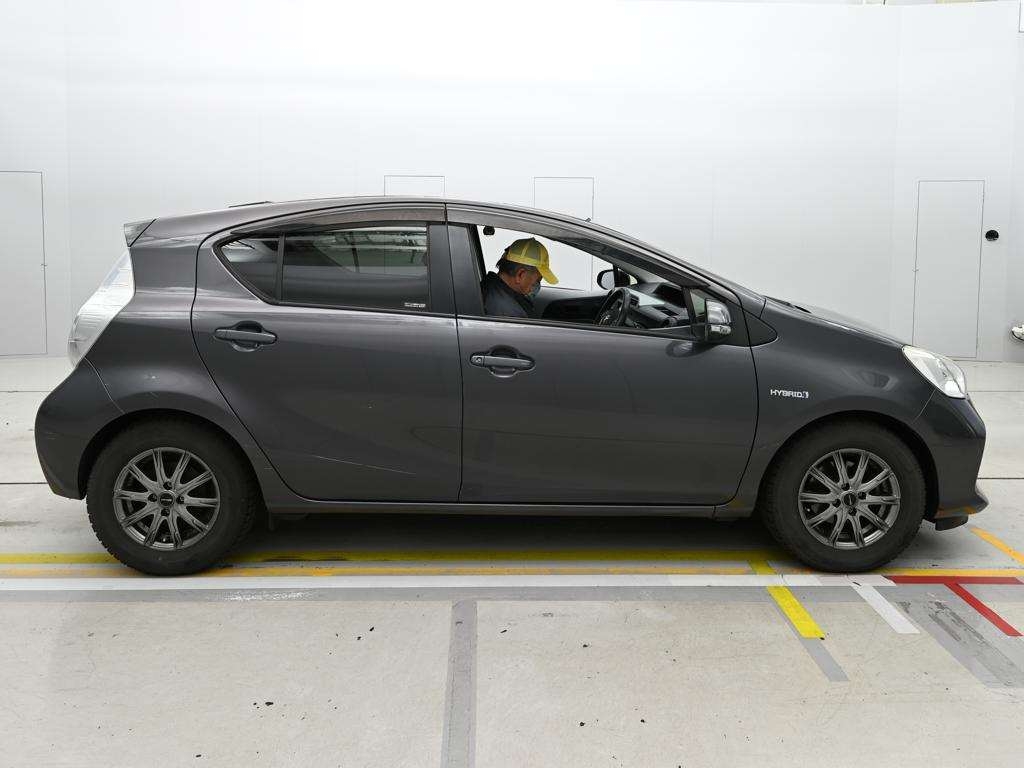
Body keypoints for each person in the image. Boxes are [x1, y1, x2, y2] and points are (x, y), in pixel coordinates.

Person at [480, 237, 559, 318]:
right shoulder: (512, 314)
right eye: (538, 280)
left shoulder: (487, 286)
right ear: (520, 274)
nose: (537, 285)